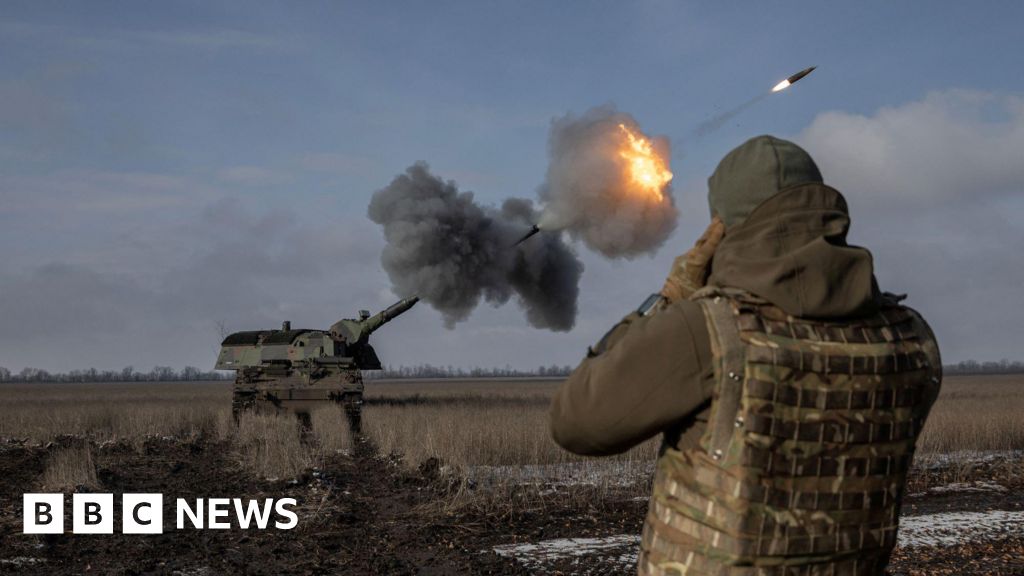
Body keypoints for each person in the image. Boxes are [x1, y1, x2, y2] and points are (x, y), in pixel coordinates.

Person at [550, 135, 942, 575]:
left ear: (722, 227)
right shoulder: (909, 337)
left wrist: (668, 300)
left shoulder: (707, 328)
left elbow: (575, 421)